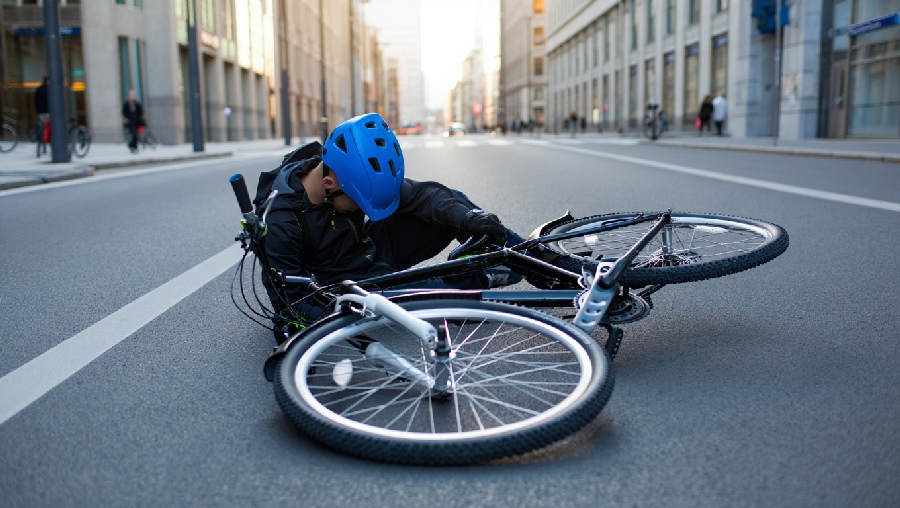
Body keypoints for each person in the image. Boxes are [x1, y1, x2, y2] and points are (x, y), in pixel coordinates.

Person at [257, 113, 534, 333]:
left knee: (453, 205)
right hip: (345, 287)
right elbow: (289, 304)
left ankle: (536, 260)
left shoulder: (344, 169)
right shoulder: (282, 223)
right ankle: (479, 278)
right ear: (329, 184)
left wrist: (468, 220)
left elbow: (421, 196)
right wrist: (336, 317)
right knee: (447, 299)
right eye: (361, 203)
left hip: (370, 249)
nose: (364, 209)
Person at [34, 77, 50, 151]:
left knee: (43, 128)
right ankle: (47, 143)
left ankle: (42, 145)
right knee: (49, 128)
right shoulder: (50, 89)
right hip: (48, 111)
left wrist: (37, 111)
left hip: (41, 111)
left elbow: (36, 102)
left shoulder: (39, 89)